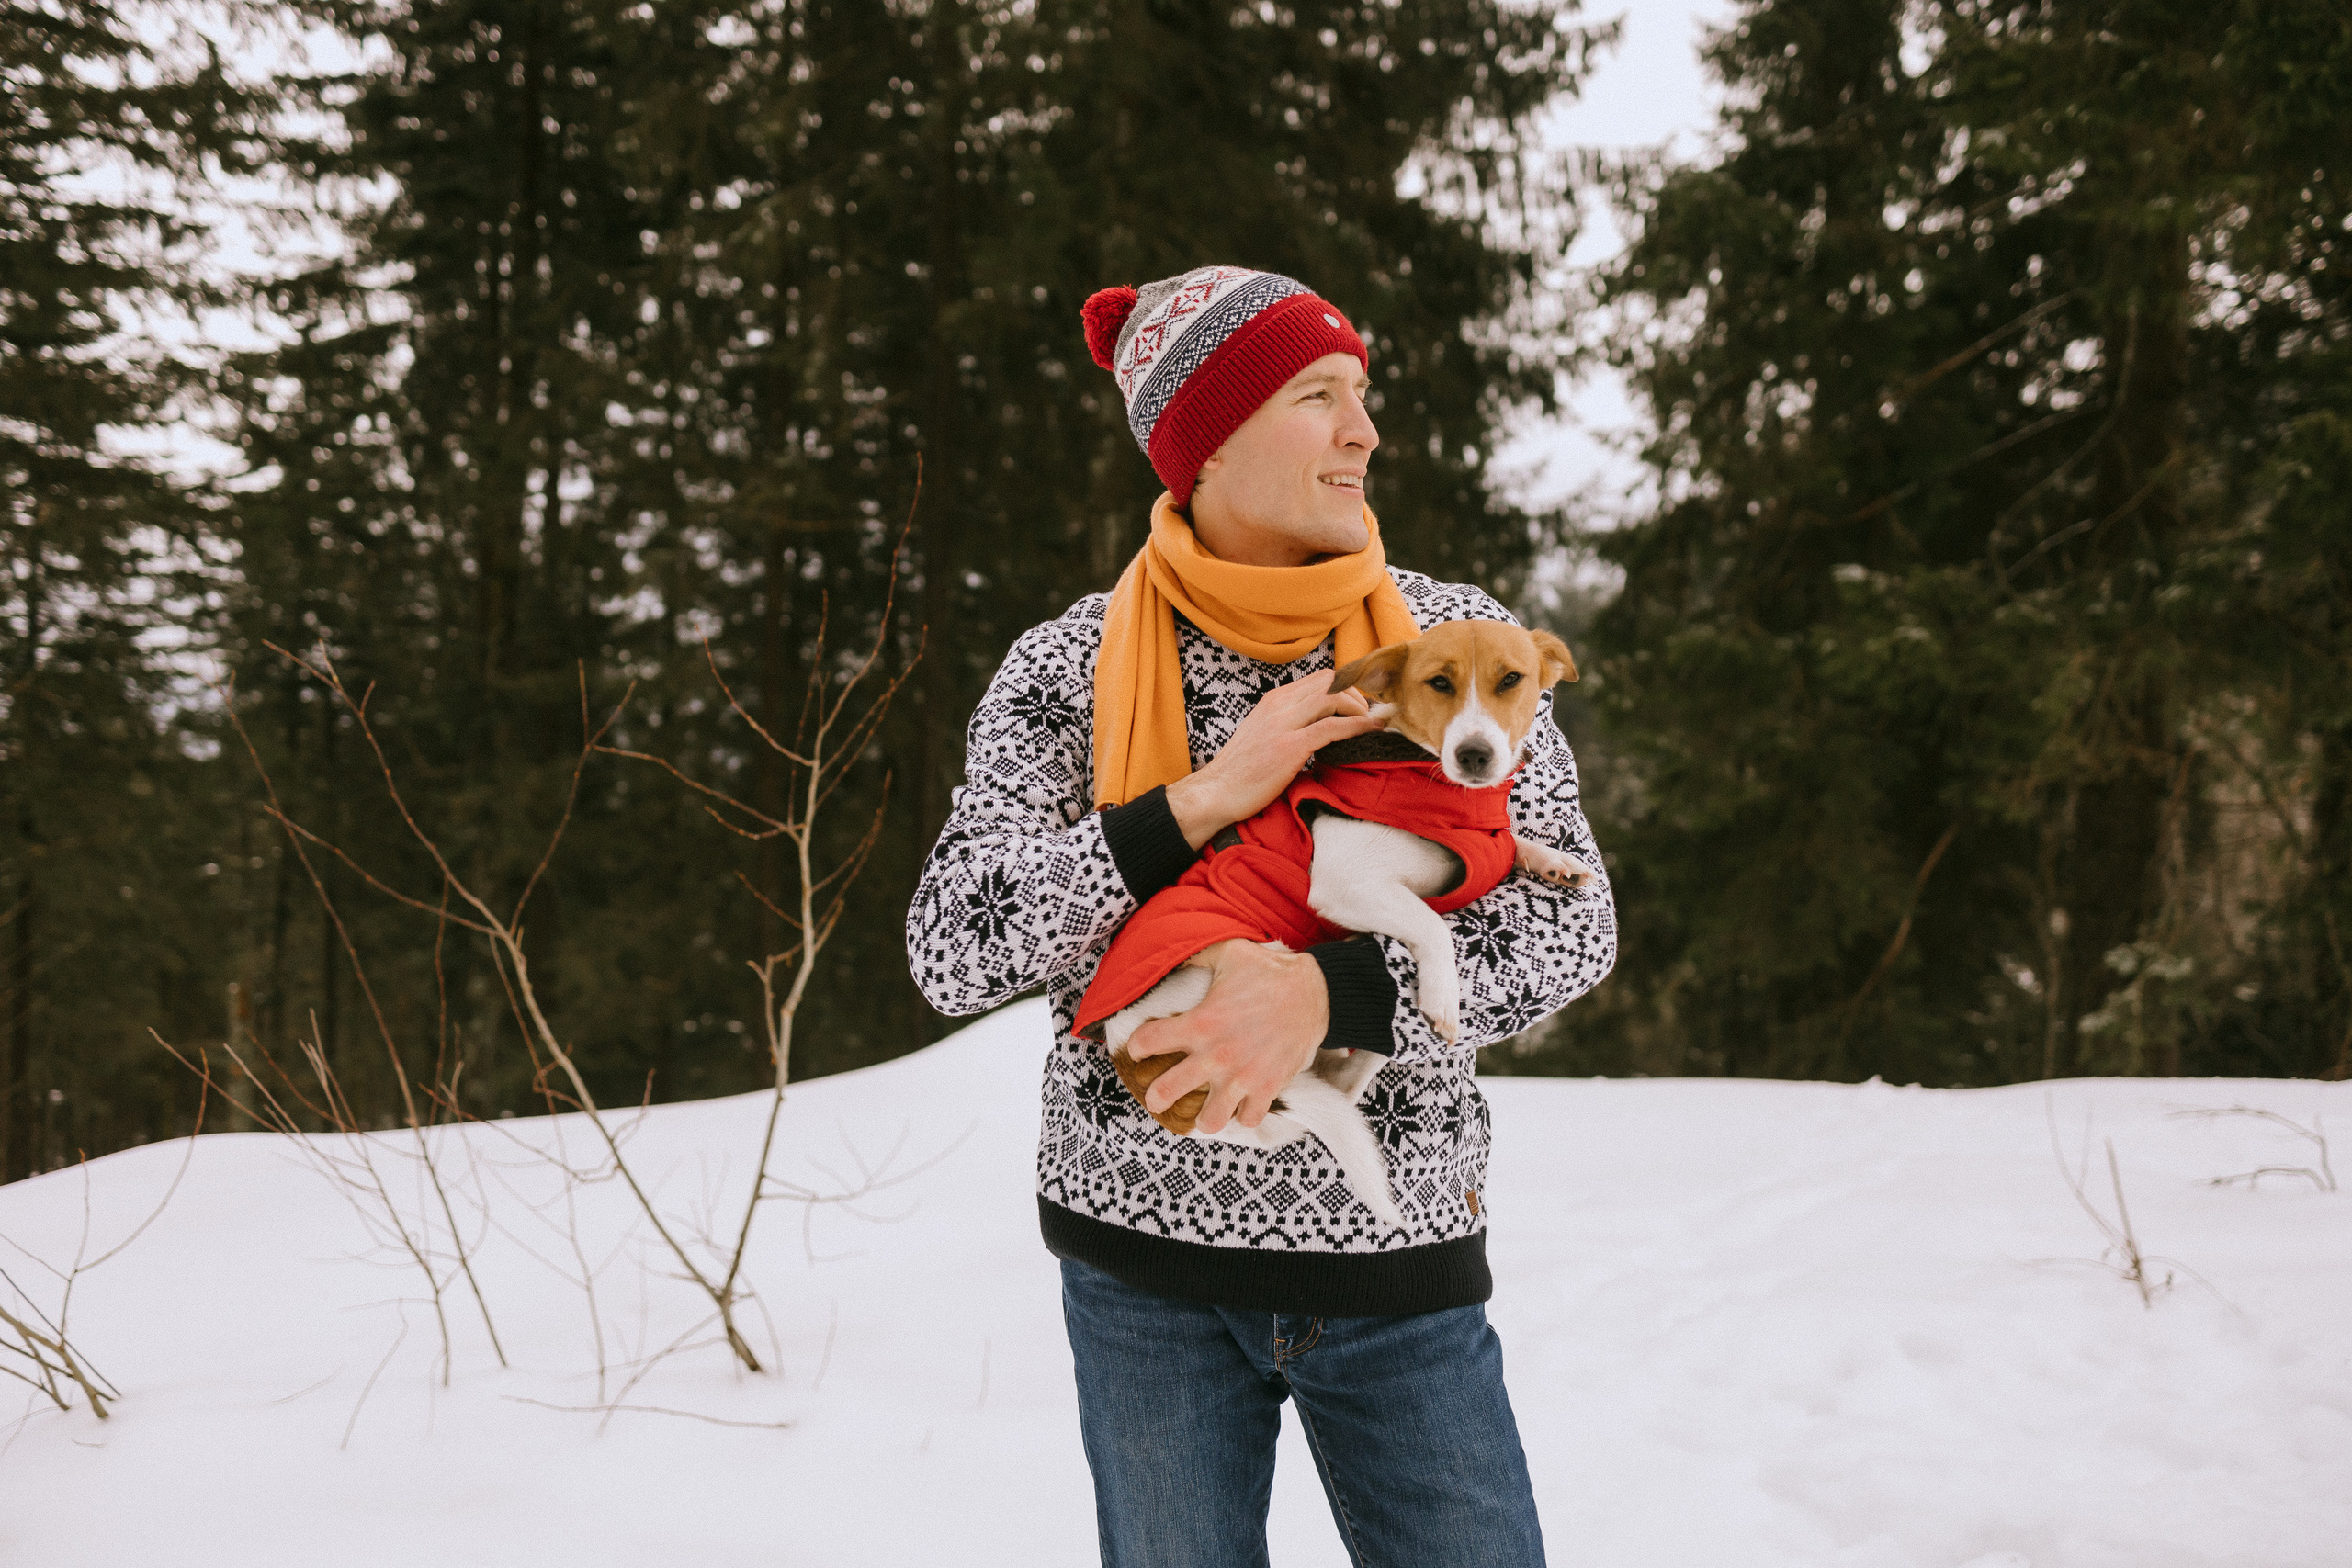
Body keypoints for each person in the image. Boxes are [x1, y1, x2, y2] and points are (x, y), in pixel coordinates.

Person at [906, 265, 1616, 1568]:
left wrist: (1328, 998)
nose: (1365, 432)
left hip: (1393, 1257)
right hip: (1141, 1274)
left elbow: (1571, 925)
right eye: (1320, 396)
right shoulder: (1069, 667)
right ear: (1211, 438)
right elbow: (953, 943)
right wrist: (1195, 803)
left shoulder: (1460, 645)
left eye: (1364, 396)